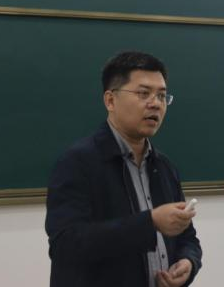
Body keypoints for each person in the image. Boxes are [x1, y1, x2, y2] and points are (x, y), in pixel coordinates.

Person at [45, 51, 202, 287]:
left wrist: (188, 262)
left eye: (162, 96)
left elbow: (187, 238)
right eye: (143, 93)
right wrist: (150, 223)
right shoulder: (77, 162)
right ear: (110, 100)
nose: (155, 104)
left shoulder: (164, 166)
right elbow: (65, 245)